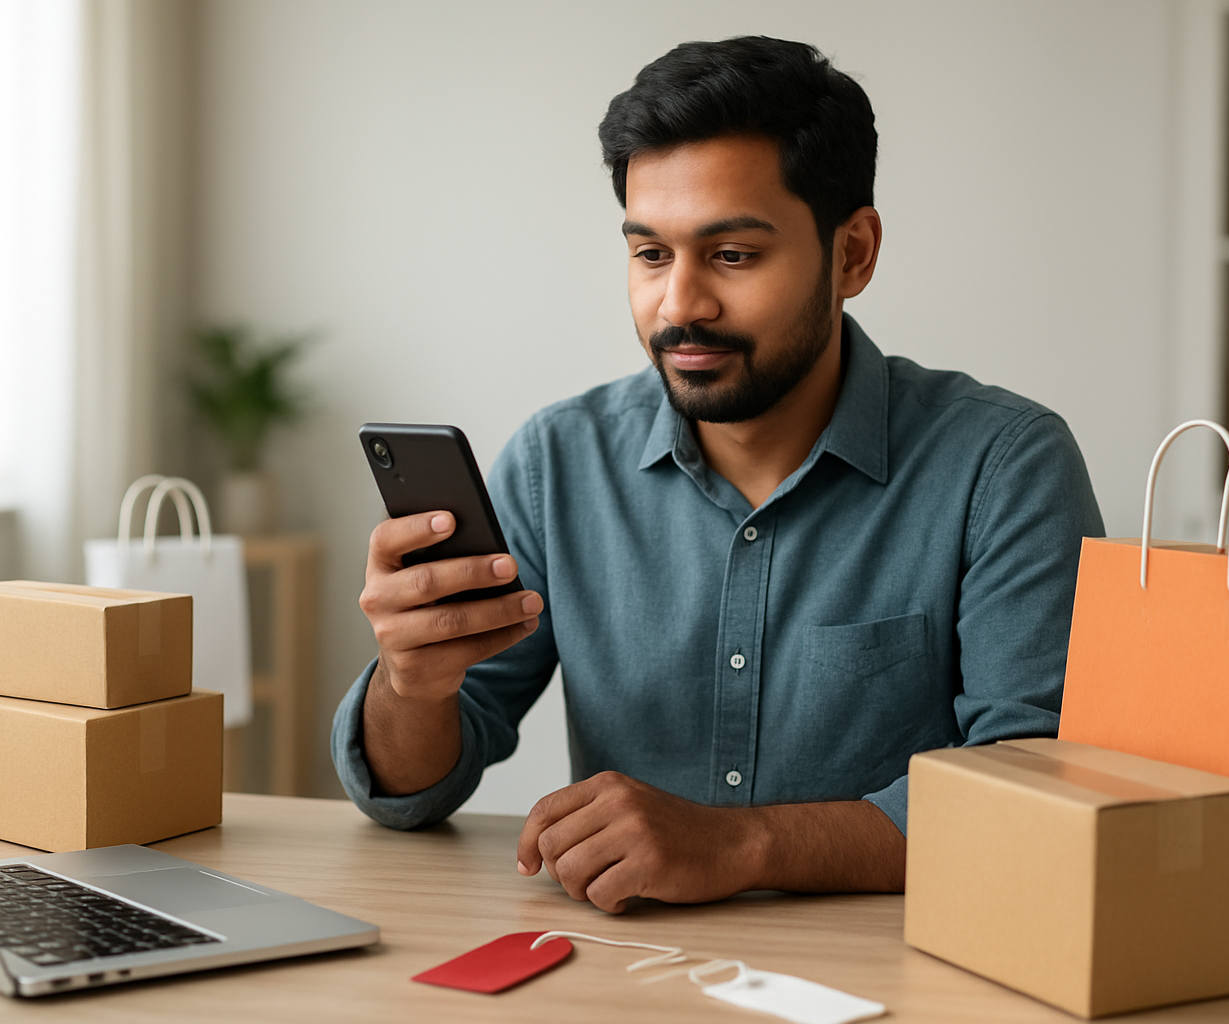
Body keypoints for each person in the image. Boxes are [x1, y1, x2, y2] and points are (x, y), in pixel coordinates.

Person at [332, 35, 1103, 914]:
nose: (679, 305)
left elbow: (1033, 785)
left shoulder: (1004, 466)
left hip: (905, 978)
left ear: (853, 253)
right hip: (628, 977)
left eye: (732, 255)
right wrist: (412, 686)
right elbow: (412, 789)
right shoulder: (557, 463)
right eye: (650, 254)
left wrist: (745, 843)